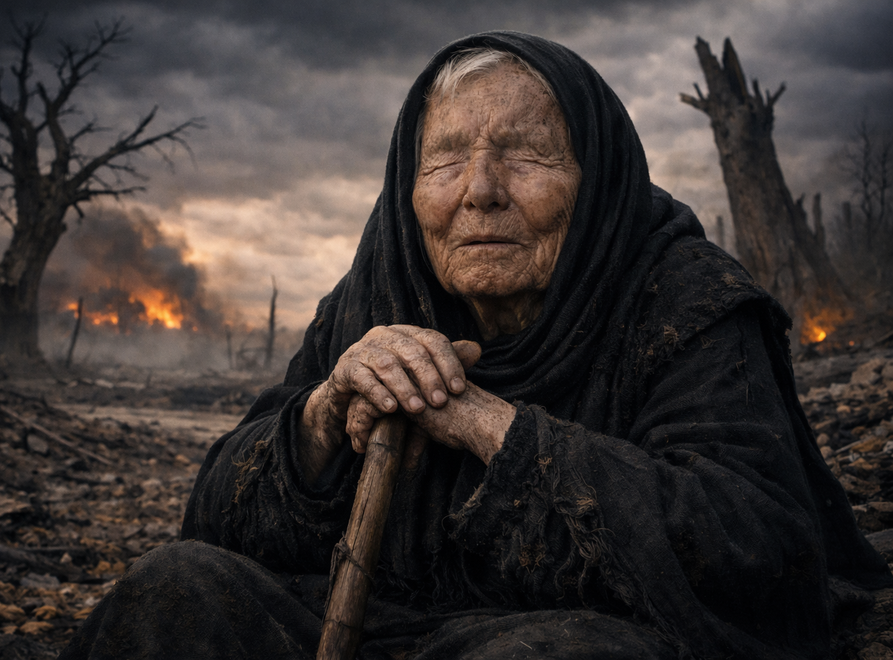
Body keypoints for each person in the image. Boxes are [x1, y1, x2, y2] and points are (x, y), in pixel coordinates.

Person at [60, 31, 891, 660]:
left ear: (595, 178)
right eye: (445, 160)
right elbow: (211, 518)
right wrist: (321, 415)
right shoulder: (377, 295)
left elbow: (757, 554)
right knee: (174, 587)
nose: (480, 192)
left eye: (526, 155)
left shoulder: (684, 300)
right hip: (366, 621)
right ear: (407, 183)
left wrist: (484, 423)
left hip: (558, 634)